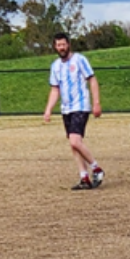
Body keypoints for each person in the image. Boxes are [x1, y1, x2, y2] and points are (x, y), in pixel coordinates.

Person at [43, 33, 105, 191]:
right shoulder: (55, 66)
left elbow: (92, 79)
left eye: (63, 44)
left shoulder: (79, 60)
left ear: (68, 44)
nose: (61, 48)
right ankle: (84, 177)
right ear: (55, 47)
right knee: (74, 145)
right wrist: (48, 109)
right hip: (66, 109)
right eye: (58, 45)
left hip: (81, 106)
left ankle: (96, 169)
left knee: (74, 141)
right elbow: (55, 89)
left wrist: (96, 103)